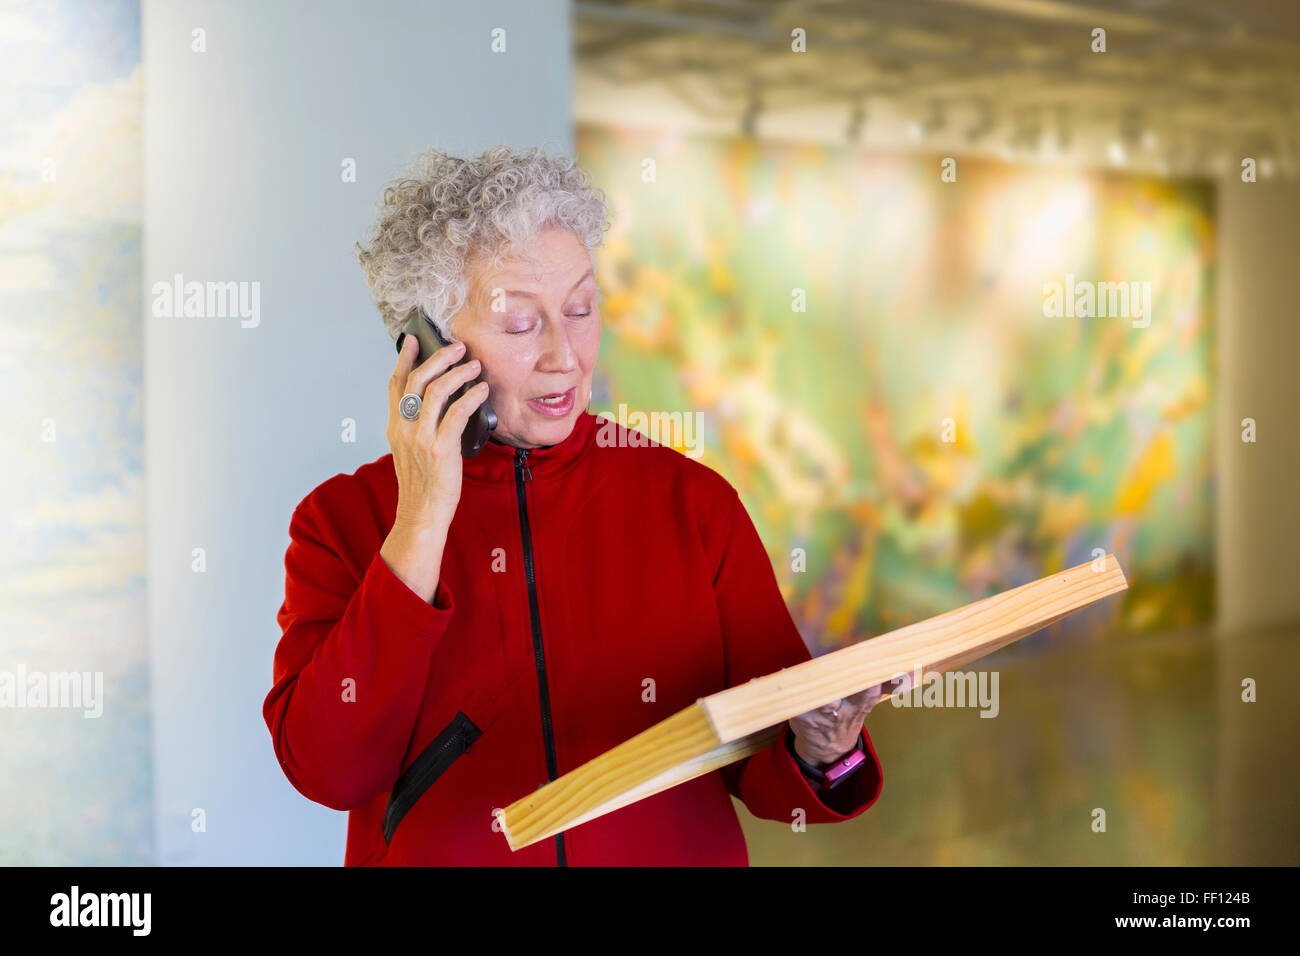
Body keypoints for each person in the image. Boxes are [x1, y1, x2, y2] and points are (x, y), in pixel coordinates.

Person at [263, 144, 902, 865]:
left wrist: (824, 748)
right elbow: (328, 766)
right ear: (429, 346)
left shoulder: (691, 504)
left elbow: (765, 768)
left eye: (581, 308)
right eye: (519, 324)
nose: (565, 354)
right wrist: (420, 520)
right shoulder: (343, 522)